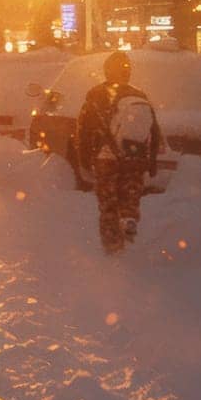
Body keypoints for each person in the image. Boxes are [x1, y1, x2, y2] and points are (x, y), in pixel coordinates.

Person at [74, 51, 163, 254]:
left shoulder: (95, 95)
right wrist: (152, 162)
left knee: (108, 202)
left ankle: (113, 248)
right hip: (135, 157)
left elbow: (84, 130)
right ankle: (129, 217)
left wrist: (84, 160)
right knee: (130, 193)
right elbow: (154, 130)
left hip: (106, 158)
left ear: (106, 71)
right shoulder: (138, 95)